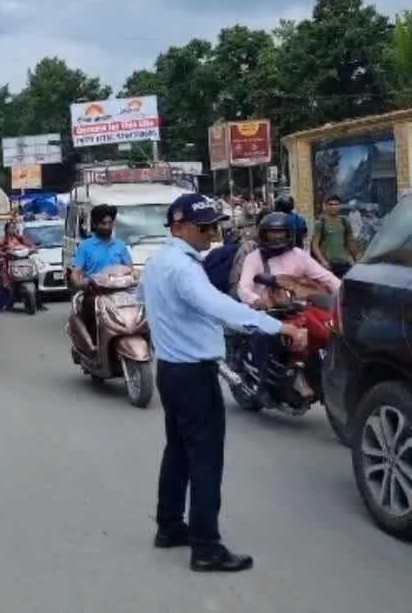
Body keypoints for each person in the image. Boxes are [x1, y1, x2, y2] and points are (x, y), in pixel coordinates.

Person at [138, 193, 307, 573]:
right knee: (205, 459)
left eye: (215, 226)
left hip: (171, 370)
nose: (212, 234)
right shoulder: (182, 268)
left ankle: (169, 526)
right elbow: (219, 307)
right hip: (192, 374)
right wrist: (279, 325)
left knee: (179, 450)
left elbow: (143, 297)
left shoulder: (159, 263)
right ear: (179, 227)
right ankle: (206, 547)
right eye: (204, 227)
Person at [236, 212, 339, 401]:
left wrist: (344, 293)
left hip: (297, 307)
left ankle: (310, 368)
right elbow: (243, 287)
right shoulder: (254, 257)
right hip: (268, 312)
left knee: (327, 330)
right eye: (272, 232)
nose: (277, 236)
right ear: (263, 234)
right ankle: (266, 383)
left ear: (288, 234)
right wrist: (255, 300)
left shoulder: (298, 255)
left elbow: (326, 277)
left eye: (281, 232)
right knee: (264, 337)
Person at [70, 204, 133, 338]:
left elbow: (130, 269)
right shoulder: (85, 247)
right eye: (104, 224)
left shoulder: (120, 245)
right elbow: (76, 272)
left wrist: (136, 276)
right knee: (90, 316)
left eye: (110, 223)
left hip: (120, 293)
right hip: (96, 294)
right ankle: (94, 348)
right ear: (95, 224)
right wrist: (81, 283)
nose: (107, 227)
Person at [311, 194, 361, 278]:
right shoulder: (320, 223)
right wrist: (323, 261)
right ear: (325, 206)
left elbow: (350, 242)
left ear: (340, 206)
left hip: (344, 262)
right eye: (330, 204)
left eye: (336, 204)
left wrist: (358, 257)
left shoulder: (344, 221)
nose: (333, 207)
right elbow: (315, 245)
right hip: (328, 264)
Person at [0, 222, 33, 312]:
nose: (12, 230)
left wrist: (32, 249)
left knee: (34, 277)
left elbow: (29, 245)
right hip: (8, 263)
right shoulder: (3, 240)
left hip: (21, 262)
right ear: (6, 229)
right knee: (5, 284)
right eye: (10, 228)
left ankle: (38, 303)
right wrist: (2, 253)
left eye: (13, 228)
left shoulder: (19, 238)